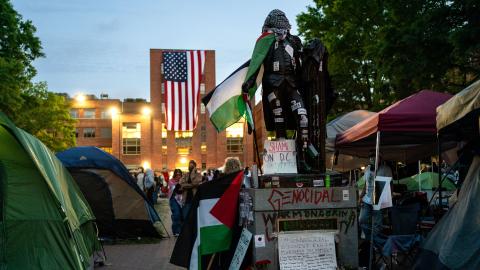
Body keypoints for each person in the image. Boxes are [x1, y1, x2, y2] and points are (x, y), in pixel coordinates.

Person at [242, 9, 313, 172]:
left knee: (303, 117)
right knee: (279, 119)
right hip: (273, 85)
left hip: (292, 84)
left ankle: (302, 159)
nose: (280, 31)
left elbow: (304, 61)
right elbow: (257, 63)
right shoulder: (265, 43)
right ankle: (284, 164)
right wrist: (249, 83)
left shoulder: (294, 41)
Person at [358, 151, 392, 247]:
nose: (372, 159)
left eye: (375, 157)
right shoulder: (367, 169)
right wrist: (361, 196)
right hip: (367, 199)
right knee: (362, 220)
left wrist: (389, 199)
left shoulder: (386, 169)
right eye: (371, 158)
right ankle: (371, 239)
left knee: (377, 224)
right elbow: (365, 184)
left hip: (379, 199)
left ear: (380, 159)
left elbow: (390, 184)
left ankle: (375, 243)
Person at [169, 169, 183, 236]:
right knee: (177, 214)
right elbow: (173, 189)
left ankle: (179, 230)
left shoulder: (183, 181)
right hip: (173, 199)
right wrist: (179, 185)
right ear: (174, 175)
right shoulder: (171, 181)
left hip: (182, 200)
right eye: (177, 174)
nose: (178, 176)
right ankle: (176, 231)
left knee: (180, 215)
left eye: (179, 174)